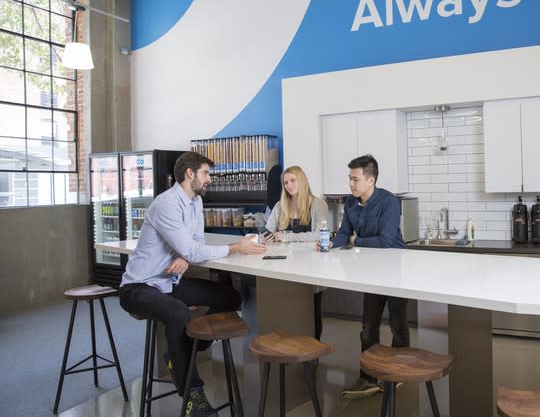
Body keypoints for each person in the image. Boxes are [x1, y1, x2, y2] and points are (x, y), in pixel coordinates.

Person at [119, 151, 266, 417]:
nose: (209, 179)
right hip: (139, 287)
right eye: (206, 173)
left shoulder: (195, 201)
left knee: (229, 298)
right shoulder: (166, 204)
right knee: (178, 313)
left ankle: (179, 356)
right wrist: (235, 247)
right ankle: (192, 395)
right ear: (190, 174)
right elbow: (194, 249)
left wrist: (184, 255)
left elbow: (195, 244)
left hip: (169, 282)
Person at [319, 154, 408, 399]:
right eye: (350, 178)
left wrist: (357, 242)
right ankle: (368, 377)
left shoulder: (389, 202)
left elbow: (387, 241)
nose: (351, 184)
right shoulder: (350, 203)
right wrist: (329, 249)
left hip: (397, 269)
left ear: (371, 180)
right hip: (371, 272)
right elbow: (343, 234)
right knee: (368, 327)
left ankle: (398, 371)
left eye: (355, 179)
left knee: (399, 325)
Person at [263, 165, 329, 340]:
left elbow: (318, 235)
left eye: (293, 180)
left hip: (311, 269)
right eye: (286, 182)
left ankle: (313, 351)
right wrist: (266, 237)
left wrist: (287, 236)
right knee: (289, 312)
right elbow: (268, 231)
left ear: (303, 181)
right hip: (285, 268)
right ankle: (290, 348)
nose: (289, 185)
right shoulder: (280, 205)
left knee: (312, 312)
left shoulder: (317, 204)